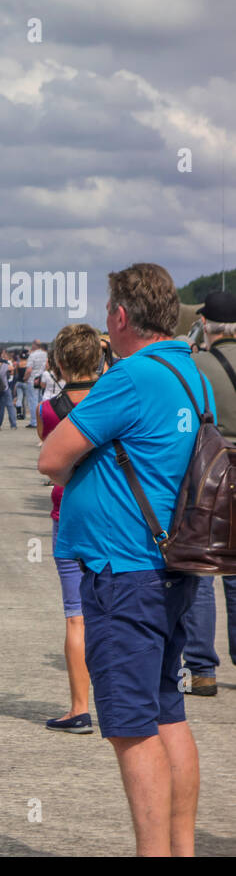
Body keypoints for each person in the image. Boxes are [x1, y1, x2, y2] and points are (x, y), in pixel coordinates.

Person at [39, 262, 208, 857]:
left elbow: (52, 458)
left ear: (118, 316)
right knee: (168, 715)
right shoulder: (190, 371)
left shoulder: (132, 376)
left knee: (132, 730)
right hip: (172, 566)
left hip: (124, 571)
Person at [38, 324, 105, 733]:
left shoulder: (49, 410)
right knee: (118, 614)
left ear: (58, 363)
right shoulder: (118, 400)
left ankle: (79, 708)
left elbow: (53, 462)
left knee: (76, 618)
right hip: (116, 521)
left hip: (68, 519)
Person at [178, 289, 236, 697]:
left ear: (206, 324)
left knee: (202, 569)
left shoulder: (195, 366)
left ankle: (202, 670)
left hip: (211, 474)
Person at [26, 339, 48, 427]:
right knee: (40, 400)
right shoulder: (45, 354)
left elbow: (29, 369)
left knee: (33, 401)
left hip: (32, 379)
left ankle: (34, 422)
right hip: (41, 379)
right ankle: (42, 420)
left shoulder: (32, 355)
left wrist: (25, 378)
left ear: (35, 345)